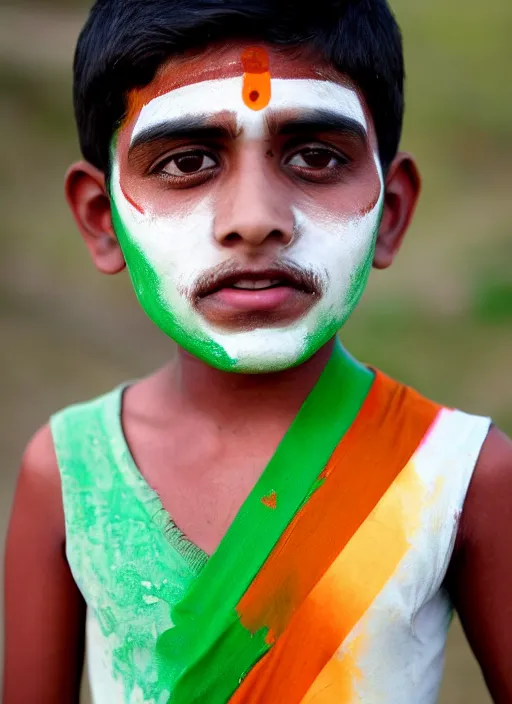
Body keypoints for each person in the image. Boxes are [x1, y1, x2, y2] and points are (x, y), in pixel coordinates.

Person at [3, 0, 512, 702]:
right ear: (102, 221)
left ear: (390, 213)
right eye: (186, 162)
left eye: (315, 157)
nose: (254, 220)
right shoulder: (67, 470)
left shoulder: (461, 473)